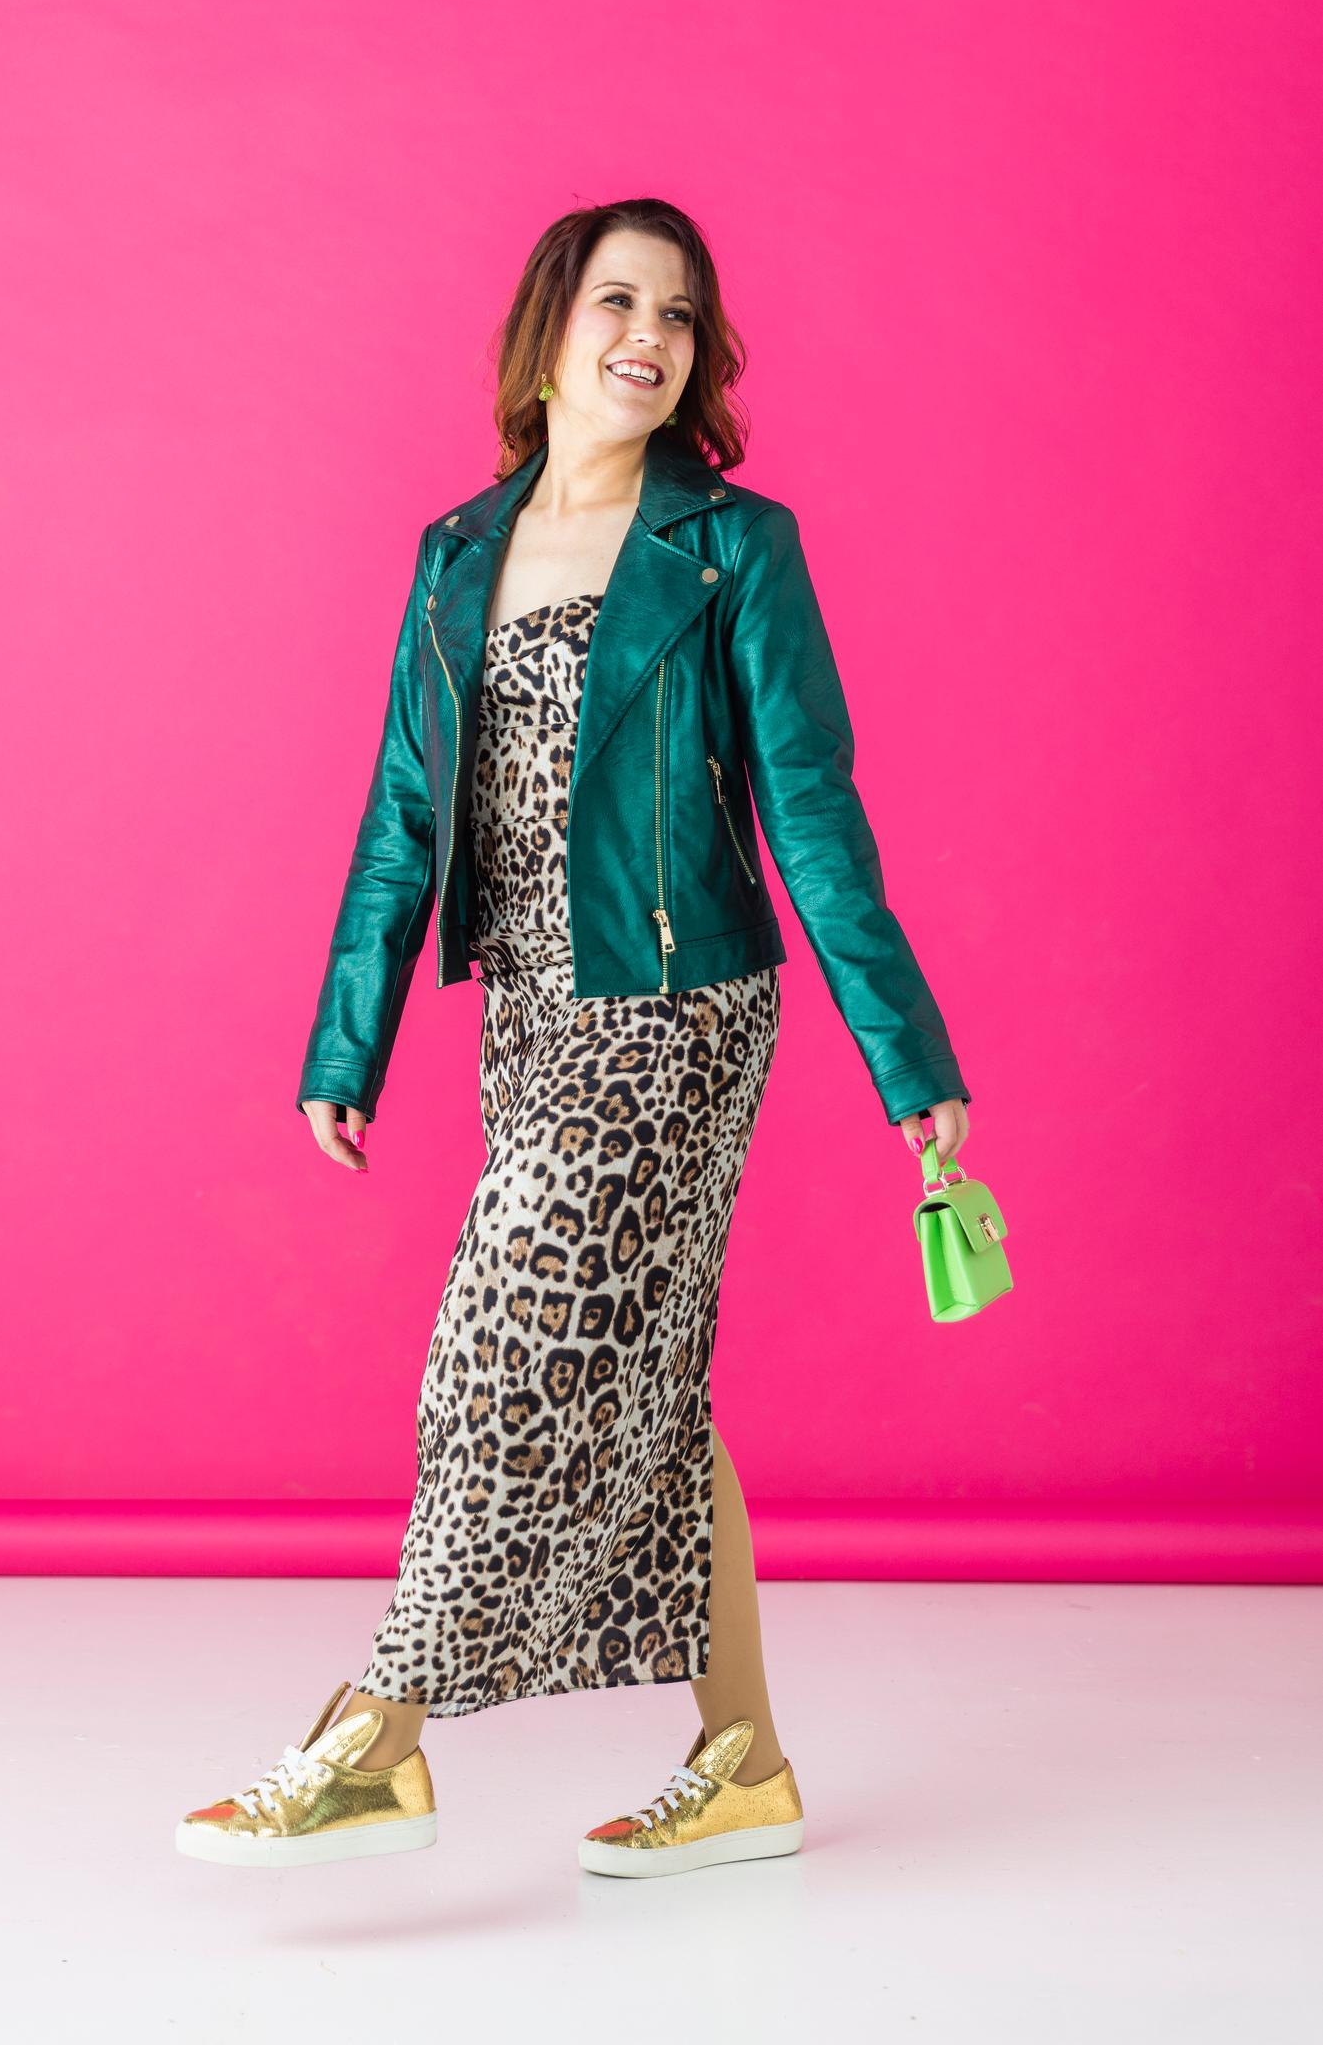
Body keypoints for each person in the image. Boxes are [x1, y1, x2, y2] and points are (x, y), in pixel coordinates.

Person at [176, 198, 972, 1879]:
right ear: (546, 333)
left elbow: (810, 812)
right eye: (618, 301)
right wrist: (347, 1043)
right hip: (529, 1018)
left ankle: (374, 1742)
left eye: (677, 314)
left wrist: (906, 1060)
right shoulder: (458, 551)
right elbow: (406, 814)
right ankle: (744, 1763)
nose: (648, 337)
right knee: (652, 1386)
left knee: (499, 1346)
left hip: (675, 1013)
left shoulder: (729, 545)